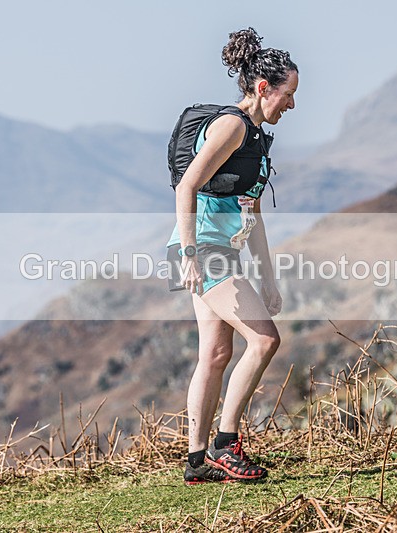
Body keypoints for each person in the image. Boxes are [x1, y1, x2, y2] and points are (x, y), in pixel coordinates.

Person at [166, 28, 298, 485]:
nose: (292, 105)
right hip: (202, 248)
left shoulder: (257, 139)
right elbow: (187, 186)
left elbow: (254, 213)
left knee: (217, 353)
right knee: (264, 340)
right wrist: (188, 254)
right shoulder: (232, 126)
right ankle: (227, 444)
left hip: (222, 248)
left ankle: (197, 462)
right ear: (264, 88)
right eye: (288, 94)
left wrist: (268, 279)